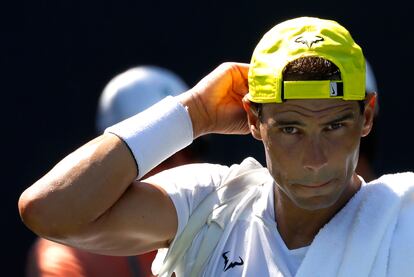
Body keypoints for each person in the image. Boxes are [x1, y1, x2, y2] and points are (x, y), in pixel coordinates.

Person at [19, 17, 414, 276]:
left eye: (334, 126)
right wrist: (193, 114)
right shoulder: (211, 205)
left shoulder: (406, 214)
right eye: (291, 129)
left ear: (367, 118)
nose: (315, 160)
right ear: (254, 120)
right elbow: (48, 211)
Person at [25, 65, 207, 277]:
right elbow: (41, 210)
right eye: (165, 154)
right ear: (116, 163)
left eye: (192, 149)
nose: (183, 164)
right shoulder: (66, 254)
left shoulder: (230, 221)